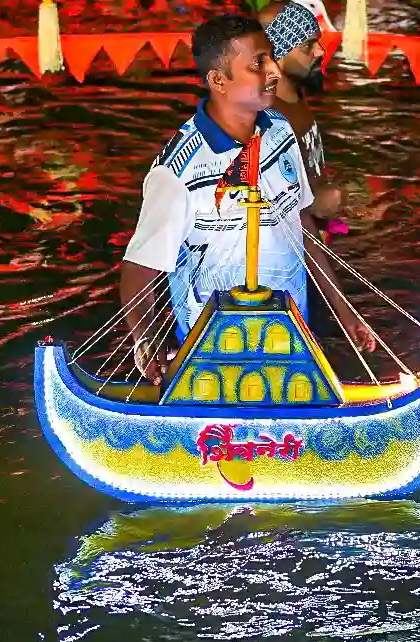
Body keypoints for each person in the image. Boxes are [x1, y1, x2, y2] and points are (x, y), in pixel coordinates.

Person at [119, 14, 375, 386]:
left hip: (292, 340)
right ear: (219, 81)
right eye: (258, 63)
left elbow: (301, 224)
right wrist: (145, 341)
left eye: (271, 57)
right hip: (212, 360)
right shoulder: (177, 173)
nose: (273, 69)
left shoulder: (280, 131)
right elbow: (138, 268)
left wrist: (344, 310)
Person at [256, 0, 345, 235]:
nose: (321, 51)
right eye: (308, 46)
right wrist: (315, 207)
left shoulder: (295, 92)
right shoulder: (267, 117)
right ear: (278, 53)